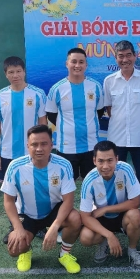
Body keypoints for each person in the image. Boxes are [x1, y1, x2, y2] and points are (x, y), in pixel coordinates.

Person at [0, 125, 82, 273]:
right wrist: (18, 228)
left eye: (44, 144)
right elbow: (8, 201)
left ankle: (64, 254)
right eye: (34, 144)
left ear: (51, 145)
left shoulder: (64, 165)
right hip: (26, 214)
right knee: (15, 249)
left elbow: (68, 201)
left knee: (75, 218)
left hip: (53, 211)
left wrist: (55, 227)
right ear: (28, 146)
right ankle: (26, 252)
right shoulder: (15, 167)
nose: (39, 149)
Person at [0, 56, 47, 243]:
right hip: (8, 154)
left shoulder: (38, 94)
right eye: (11, 72)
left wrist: (43, 149)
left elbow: (43, 123)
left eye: (18, 71)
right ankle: (14, 227)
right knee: (11, 193)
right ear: (6, 74)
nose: (15, 75)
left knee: (36, 189)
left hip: (33, 154)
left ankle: (38, 226)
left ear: (24, 72)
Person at [79, 140, 140, 269]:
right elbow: (85, 216)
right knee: (85, 238)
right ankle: (104, 241)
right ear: (94, 161)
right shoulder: (89, 180)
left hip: (122, 215)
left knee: (135, 215)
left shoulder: (125, 169)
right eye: (101, 161)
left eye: (110, 160)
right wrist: (109, 235)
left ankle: (132, 249)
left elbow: (135, 202)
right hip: (102, 219)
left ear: (116, 159)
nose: (105, 166)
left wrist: (106, 209)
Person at [103, 40, 140, 212]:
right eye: (121, 56)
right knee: (117, 178)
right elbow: (109, 109)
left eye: (128, 55)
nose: (125, 60)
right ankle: (119, 214)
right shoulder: (109, 81)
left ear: (135, 56)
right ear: (115, 58)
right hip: (116, 140)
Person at [46, 48, 104, 180]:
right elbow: (51, 115)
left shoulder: (95, 86)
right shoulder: (57, 89)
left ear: (86, 65)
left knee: (94, 184)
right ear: (67, 64)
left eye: (81, 62)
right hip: (66, 147)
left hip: (91, 146)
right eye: (74, 62)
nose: (77, 65)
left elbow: (99, 111)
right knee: (65, 185)